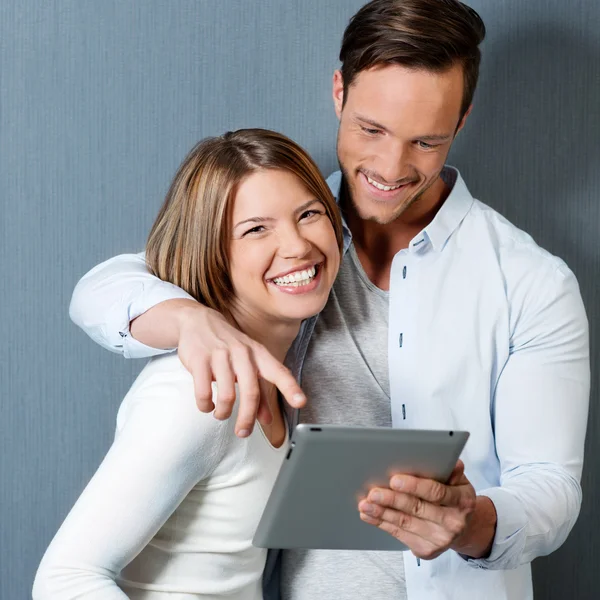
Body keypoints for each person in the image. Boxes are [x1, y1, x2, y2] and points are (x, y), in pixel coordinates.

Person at [66, 1, 590, 599]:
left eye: (425, 140)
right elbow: (101, 289)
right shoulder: (289, 237)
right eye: (372, 130)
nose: (391, 168)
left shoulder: (532, 283)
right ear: (339, 92)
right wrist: (189, 320)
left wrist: (471, 522)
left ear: (463, 118)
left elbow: (551, 486)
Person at [32, 129, 343, 599]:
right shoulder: (193, 393)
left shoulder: (273, 376)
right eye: (256, 228)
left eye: (309, 214)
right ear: (212, 252)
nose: (297, 245)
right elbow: (65, 580)